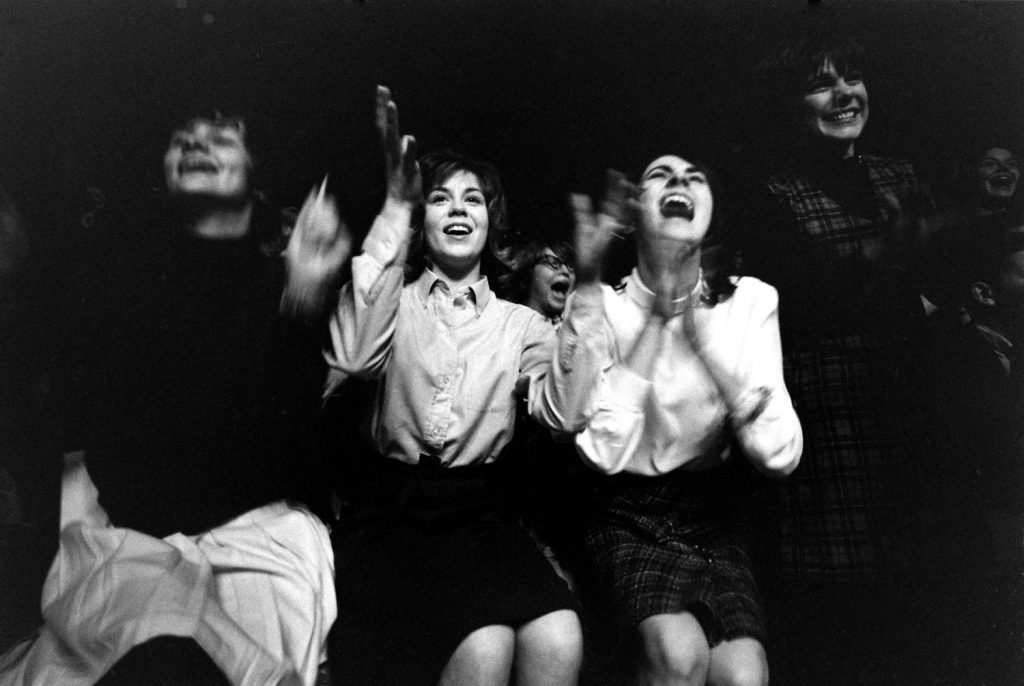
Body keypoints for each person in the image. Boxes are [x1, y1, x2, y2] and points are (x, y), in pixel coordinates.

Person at [0, 114, 339, 686]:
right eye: (181, 134)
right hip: (130, 541)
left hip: (257, 536)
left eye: (223, 133)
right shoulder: (115, 277)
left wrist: (302, 305)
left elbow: (289, 445)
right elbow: (79, 416)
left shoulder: (287, 284)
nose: (194, 140)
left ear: (256, 179)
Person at [287, 87, 582, 686]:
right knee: (485, 649)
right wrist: (394, 212)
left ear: (489, 222)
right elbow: (354, 356)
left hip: (479, 515)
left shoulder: (520, 323)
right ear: (423, 221)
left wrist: (590, 300)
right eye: (441, 198)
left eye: (473, 199)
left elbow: (564, 414)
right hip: (391, 515)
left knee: (561, 638)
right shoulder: (390, 297)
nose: (457, 208)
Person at [564, 158, 802, 686]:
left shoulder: (752, 301)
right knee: (678, 656)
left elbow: (780, 455)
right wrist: (657, 322)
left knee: (744, 677)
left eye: (696, 177)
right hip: (621, 509)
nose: (680, 182)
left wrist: (700, 338)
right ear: (632, 213)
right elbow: (602, 453)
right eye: (660, 175)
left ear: (710, 213)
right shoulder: (599, 305)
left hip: (709, 513)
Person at [500, 239, 576, 324]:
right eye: (553, 262)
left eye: (571, 266)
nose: (566, 271)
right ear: (527, 274)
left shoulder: (578, 330)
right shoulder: (505, 324)